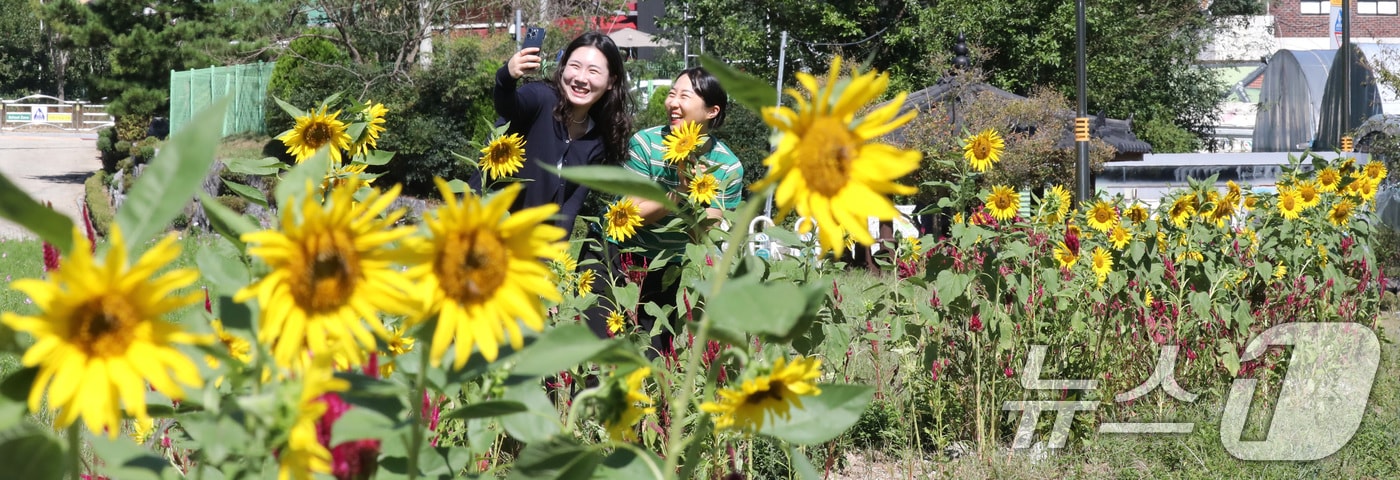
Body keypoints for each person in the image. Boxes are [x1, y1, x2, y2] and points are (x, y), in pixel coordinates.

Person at [582, 67, 743, 359]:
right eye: (672, 93)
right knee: (599, 355)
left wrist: (699, 196)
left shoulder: (728, 167)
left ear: (711, 111)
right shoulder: (646, 144)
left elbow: (702, 235)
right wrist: (678, 193)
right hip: (612, 253)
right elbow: (628, 217)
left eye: (684, 95)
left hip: (666, 265)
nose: (672, 102)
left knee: (655, 358)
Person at [471, 31, 633, 231]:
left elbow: (570, 205)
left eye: (593, 71)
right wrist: (506, 76)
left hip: (531, 243)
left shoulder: (597, 138)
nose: (581, 78)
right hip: (482, 224)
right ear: (563, 67)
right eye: (575, 66)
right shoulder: (540, 97)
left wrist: (556, 254)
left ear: (611, 82)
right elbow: (508, 106)